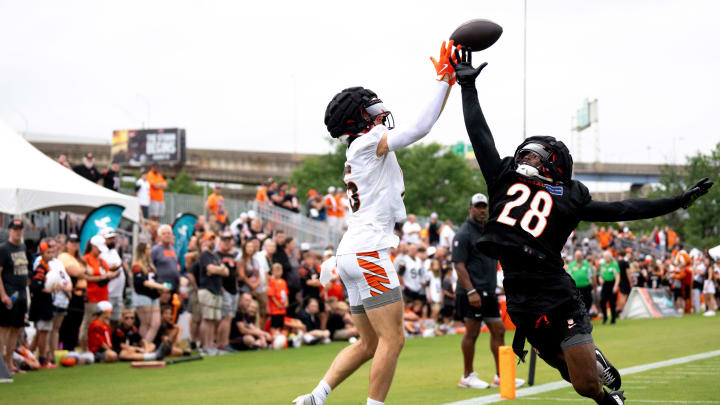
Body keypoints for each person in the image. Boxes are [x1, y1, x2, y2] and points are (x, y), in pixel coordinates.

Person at [453, 46, 714, 405]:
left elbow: (625, 207)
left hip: (554, 293)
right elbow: (480, 134)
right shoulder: (502, 177)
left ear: (551, 165)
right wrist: (467, 87)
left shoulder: (568, 197)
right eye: (524, 152)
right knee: (577, 380)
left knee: (586, 383)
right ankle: (610, 398)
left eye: (533, 155)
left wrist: (676, 201)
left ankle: (601, 380)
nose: (524, 157)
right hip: (518, 295)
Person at [294, 40, 457, 405]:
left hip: (352, 252)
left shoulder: (359, 148)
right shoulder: (367, 143)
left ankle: (315, 397)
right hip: (368, 251)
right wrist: (443, 80)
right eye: (372, 111)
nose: (380, 115)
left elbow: (422, 124)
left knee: (369, 343)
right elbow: (420, 128)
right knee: (393, 339)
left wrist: (449, 84)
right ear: (358, 121)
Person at [453, 193, 524, 389]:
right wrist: (470, 291)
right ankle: (467, 376)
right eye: (478, 206)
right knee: (472, 333)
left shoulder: (489, 231)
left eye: (484, 206)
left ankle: (501, 376)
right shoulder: (464, 233)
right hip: (471, 293)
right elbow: (458, 265)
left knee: (499, 330)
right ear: (470, 208)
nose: (482, 209)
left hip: (489, 291)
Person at [79, 235, 120, 352]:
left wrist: (113, 273)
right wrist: (102, 277)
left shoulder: (101, 260)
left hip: (103, 296)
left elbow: (107, 273)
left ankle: (98, 348)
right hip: (92, 295)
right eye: (99, 248)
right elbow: (84, 277)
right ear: (93, 246)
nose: (100, 251)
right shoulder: (86, 259)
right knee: (88, 323)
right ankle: (84, 348)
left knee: (102, 324)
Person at [0, 219, 29, 375]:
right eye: (15, 229)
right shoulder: (4, 249)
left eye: (20, 229)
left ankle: (9, 363)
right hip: (9, 294)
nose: (18, 232)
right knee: (4, 329)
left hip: (22, 294)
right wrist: (3, 295)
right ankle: (1, 365)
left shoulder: (23, 247)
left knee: (16, 329)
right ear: (10, 231)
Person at [132, 242, 169, 342]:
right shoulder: (137, 265)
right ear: (142, 251)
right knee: (146, 323)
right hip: (143, 295)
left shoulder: (150, 265)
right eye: (148, 249)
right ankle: (144, 348)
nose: (150, 251)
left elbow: (153, 279)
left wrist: (160, 288)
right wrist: (160, 286)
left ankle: (147, 346)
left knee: (156, 323)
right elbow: (143, 282)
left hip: (154, 295)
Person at [197, 232, 227, 355]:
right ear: (204, 242)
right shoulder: (205, 255)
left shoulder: (215, 256)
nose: (212, 242)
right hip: (207, 289)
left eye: (214, 239)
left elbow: (226, 272)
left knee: (213, 319)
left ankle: (210, 345)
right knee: (207, 318)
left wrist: (218, 270)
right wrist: (219, 269)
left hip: (216, 290)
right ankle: (205, 346)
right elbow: (210, 269)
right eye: (210, 239)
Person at [29, 239, 56, 367]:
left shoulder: (47, 267)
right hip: (41, 305)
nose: (51, 255)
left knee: (44, 331)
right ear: (43, 254)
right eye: (48, 253)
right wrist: (48, 290)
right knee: (42, 332)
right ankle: (41, 358)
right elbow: (35, 286)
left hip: (46, 303)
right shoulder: (40, 268)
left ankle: (33, 355)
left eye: (52, 252)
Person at [216, 230, 239, 351]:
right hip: (224, 290)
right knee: (226, 317)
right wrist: (222, 289)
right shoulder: (217, 255)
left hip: (234, 290)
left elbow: (235, 273)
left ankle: (225, 342)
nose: (226, 242)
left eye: (229, 240)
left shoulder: (234, 256)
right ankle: (221, 343)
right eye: (224, 240)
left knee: (229, 317)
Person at [100, 228, 126, 329]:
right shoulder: (102, 253)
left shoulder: (113, 252)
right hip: (109, 292)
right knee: (106, 319)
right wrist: (114, 270)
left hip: (118, 292)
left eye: (113, 238)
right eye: (109, 239)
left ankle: (110, 341)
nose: (112, 241)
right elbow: (103, 271)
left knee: (116, 319)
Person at [151, 225, 180, 291]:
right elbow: (150, 266)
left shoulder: (173, 249)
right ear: (159, 236)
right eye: (164, 233)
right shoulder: (155, 250)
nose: (167, 235)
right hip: (162, 286)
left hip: (174, 286)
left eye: (169, 233)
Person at [567, 250, 595, 314]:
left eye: (579, 256)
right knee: (577, 303)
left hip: (586, 287)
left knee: (588, 301)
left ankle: (586, 314)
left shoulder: (587, 265)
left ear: (582, 256)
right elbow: (568, 277)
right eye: (577, 256)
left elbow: (591, 276)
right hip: (576, 288)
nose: (578, 257)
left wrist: (592, 285)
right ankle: (580, 316)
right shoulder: (571, 266)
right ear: (574, 256)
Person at [598, 251, 620, 325]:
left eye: (608, 257)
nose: (606, 258)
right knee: (602, 302)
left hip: (612, 284)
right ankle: (605, 317)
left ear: (610, 257)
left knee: (612, 302)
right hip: (605, 284)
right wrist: (600, 279)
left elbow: (617, 276)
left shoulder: (614, 264)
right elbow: (600, 275)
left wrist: (616, 286)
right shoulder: (603, 265)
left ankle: (613, 318)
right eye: (605, 257)